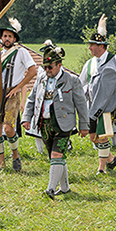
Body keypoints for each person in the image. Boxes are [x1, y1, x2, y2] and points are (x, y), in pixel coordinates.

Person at [22, 43, 89, 198]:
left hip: (63, 124)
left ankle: (50, 189)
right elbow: (32, 99)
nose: (47, 70)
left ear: (59, 65)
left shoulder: (72, 80)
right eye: (45, 67)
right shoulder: (41, 78)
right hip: (44, 123)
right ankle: (65, 188)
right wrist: (26, 117)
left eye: (50, 67)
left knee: (56, 155)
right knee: (56, 157)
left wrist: (84, 126)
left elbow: (81, 105)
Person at [80, 15, 116, 173]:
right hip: (92, 105)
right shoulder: (90, 63)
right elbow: (83, 83)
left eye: (92, 45)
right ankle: (111, 159)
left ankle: (101, 168)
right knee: (93, 137)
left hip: (108, 107)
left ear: (101, 46)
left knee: (103, 135)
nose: (90, 48)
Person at [0, 18, 36, 173]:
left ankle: (15, 155)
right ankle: (1, 164)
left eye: (10, 36)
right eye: (4, 36)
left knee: (9, 128)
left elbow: (33, 71)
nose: (7, 39)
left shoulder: (21, 52)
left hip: (11, 93)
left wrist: (18, 88)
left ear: (14, 39)